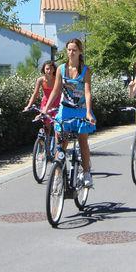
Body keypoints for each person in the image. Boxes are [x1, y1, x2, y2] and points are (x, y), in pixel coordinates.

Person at [44, 38, 96, 188]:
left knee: (82, 141)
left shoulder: (85, 70)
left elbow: (87, 93)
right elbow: (56, 90)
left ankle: (86, 173)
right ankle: (58, 176)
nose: (71, 52)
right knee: (61, 144)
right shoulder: (61, 69)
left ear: (80, 52)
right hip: (65, 110)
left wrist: (88, 112)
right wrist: (46, 109)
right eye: (69, 50)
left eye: (74, 50)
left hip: (80, 111)